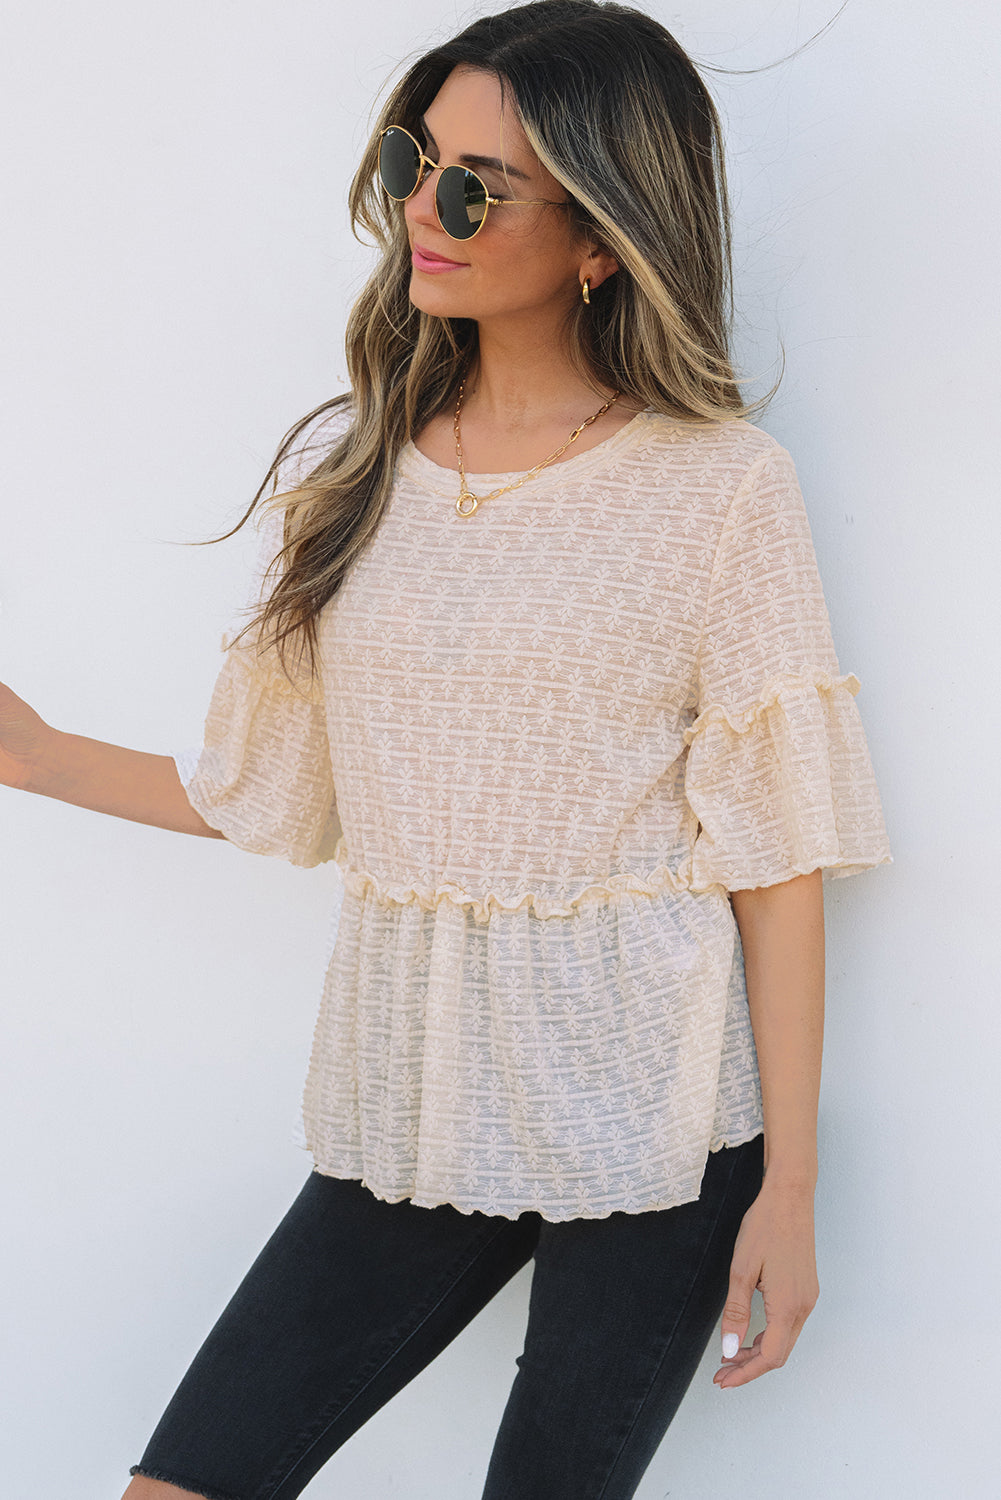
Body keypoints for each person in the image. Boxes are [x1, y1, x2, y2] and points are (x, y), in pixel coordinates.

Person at [0, 3, 891, 1497]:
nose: (426, 208)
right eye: (415, 163)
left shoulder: (718, 489)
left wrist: (788, 1191)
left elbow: (775, 856)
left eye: (479, 188)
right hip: (415, 1105)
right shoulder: (349, 475)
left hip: (653, 1125)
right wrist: (33, 757)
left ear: (599, 236)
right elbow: (281, 795)